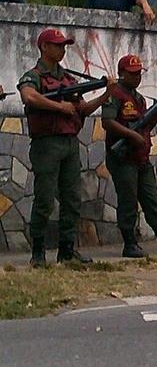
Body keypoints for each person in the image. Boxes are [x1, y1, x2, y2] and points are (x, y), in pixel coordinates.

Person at [18, 29, 112, 266]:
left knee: (72, 198)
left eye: (64, 45)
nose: (63, 49)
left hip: (70, 142)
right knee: (45, 198)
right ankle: (38, 253)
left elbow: (82, 109)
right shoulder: (35, 76)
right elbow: (29, 97)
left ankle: (67, 250)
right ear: (44, 47)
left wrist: (105, 95)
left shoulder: (68, 79)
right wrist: (60, 107)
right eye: (58, 45)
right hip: (47, 144)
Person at [102, 55, 157, 257]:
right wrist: (131, 135)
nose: (137, 77)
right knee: (128, 200)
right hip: (123, 158)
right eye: (133, 73)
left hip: (141, 157)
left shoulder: (138, 98)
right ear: (122, 74)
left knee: (152, 200)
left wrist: (156, 113)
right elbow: (108, 121)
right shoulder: (115, 94)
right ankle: (129, 243)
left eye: (139, 73)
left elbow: (144, 126)